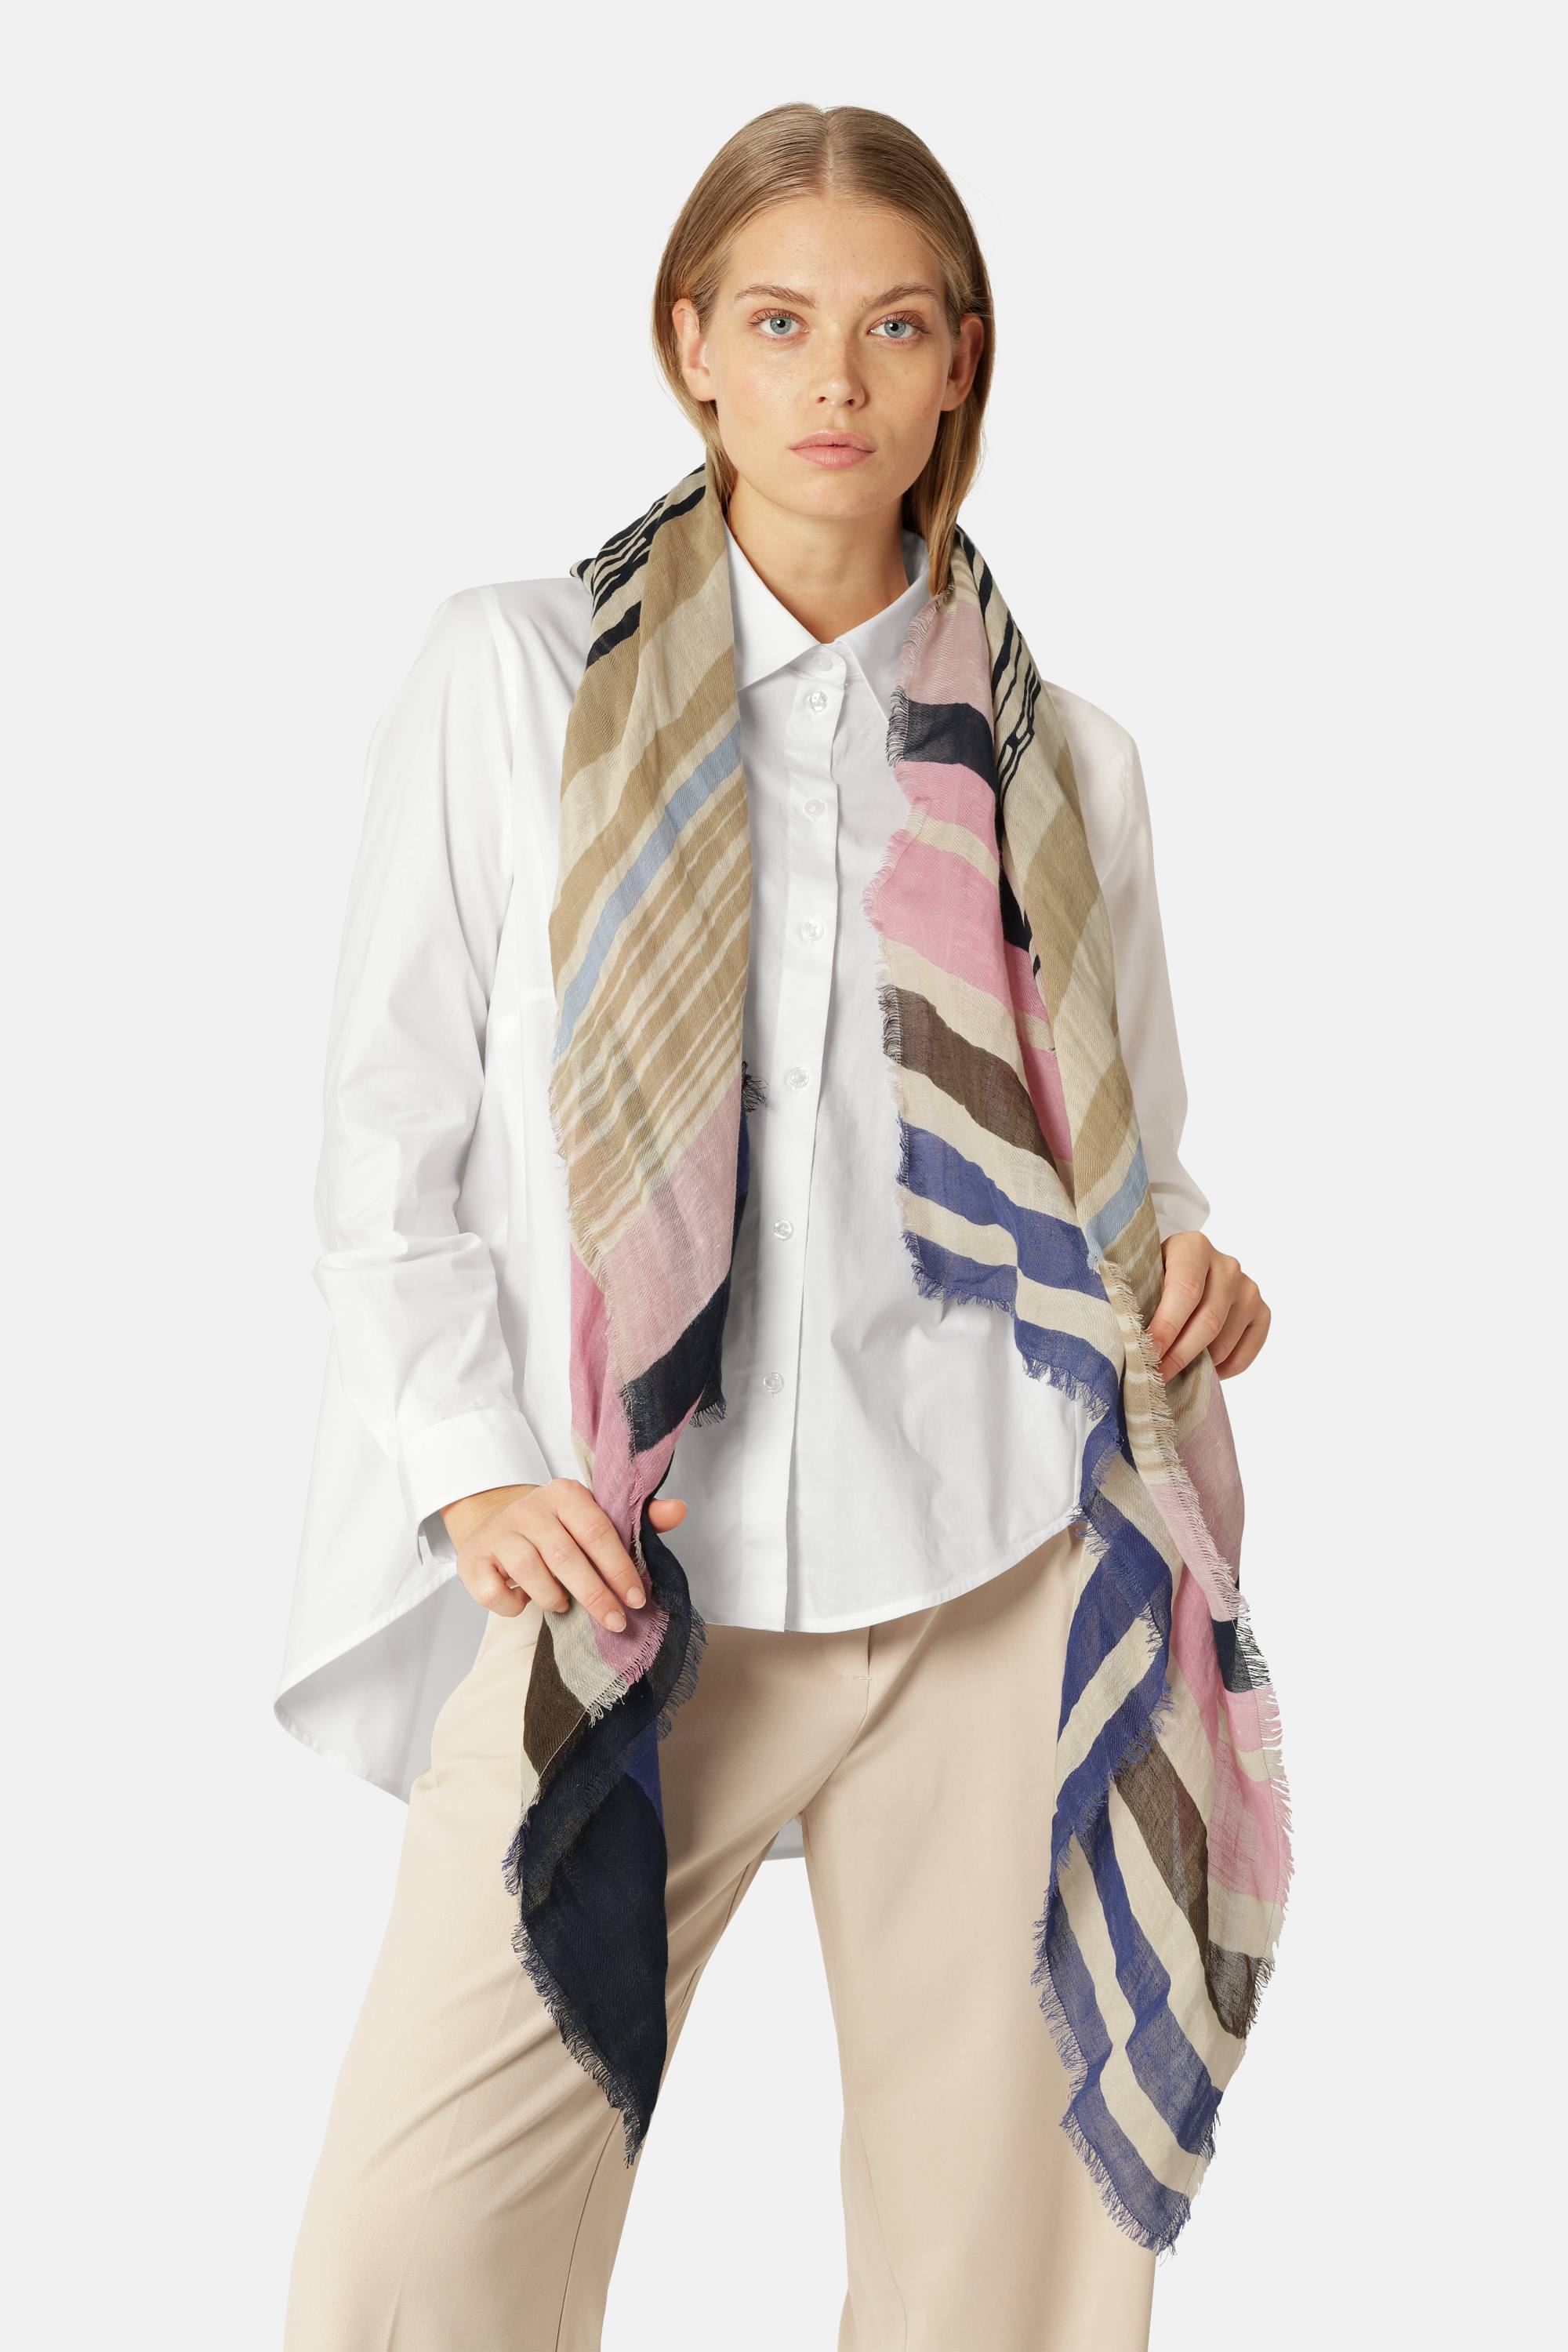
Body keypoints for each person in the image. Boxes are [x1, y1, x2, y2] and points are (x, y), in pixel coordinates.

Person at [278, 100, 1279, 2352]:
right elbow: (384, 1133)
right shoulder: (518, 681)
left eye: (894, 326)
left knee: (996, 2294)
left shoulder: (1069, 765)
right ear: (690, 349)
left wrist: (1197, 1274)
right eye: (778, 321)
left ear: (960, 363)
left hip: (1003, 1574)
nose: (836, 378)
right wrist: (473, 1464)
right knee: (407, 2270)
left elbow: (1141, 1179)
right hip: (637, 1574)